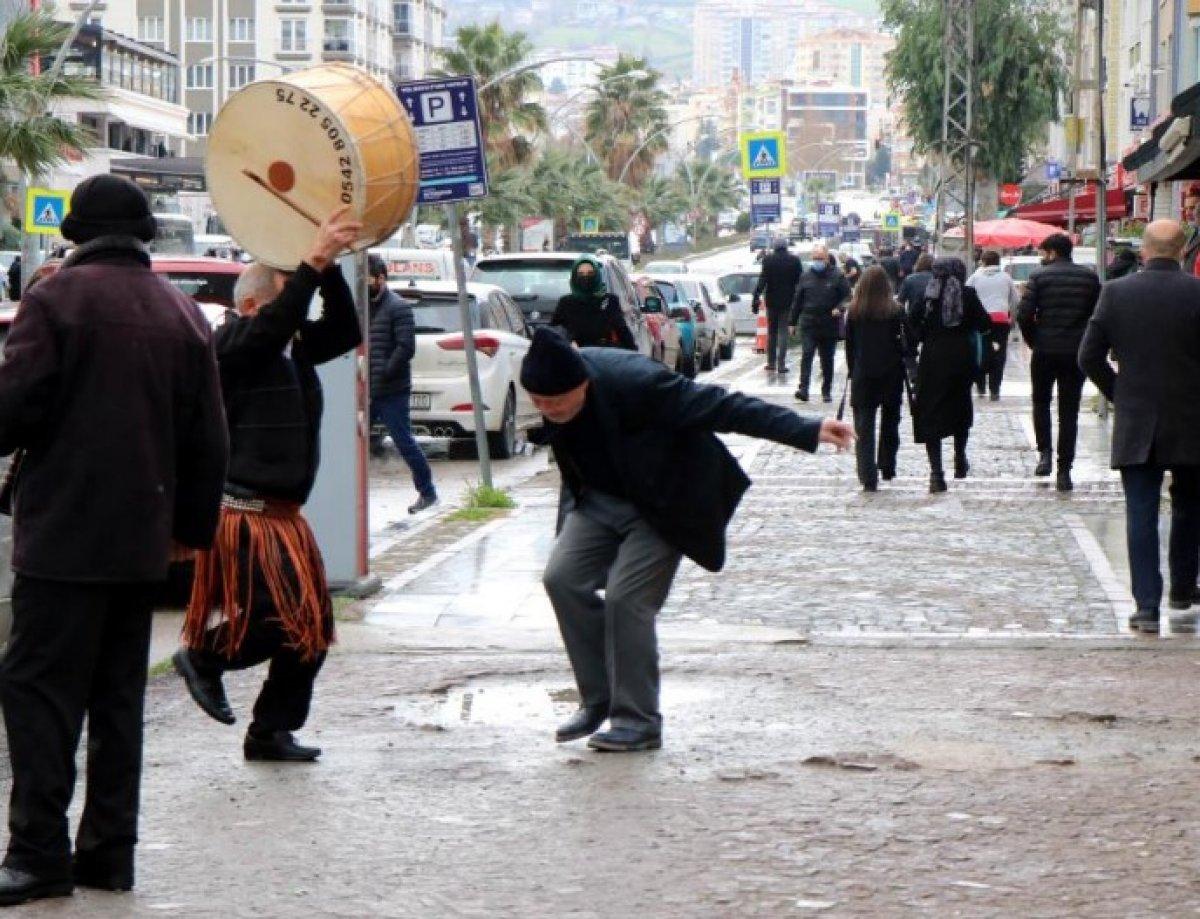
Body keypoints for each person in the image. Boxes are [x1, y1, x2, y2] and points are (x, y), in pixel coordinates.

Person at [0, 174, 227, 905]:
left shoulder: (54, 302)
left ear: (74, 234)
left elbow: (12, 410)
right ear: (144, 237)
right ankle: (110, 853)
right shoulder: (183, 312)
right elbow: (208, 438)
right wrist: (191, 531)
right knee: (116, 700)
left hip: (65, 535)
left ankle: (38, 853)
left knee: (39, 693)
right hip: (144, 543)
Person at [525, 327, 853, 751]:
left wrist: (806, 430)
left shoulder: (639, 383)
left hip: (664, 503)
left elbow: (725, 407)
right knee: (562, 578)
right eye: (539, 403)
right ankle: (599, 698)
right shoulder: (554, 392)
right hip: (602, 500)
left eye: (556, 401)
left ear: (583, 383)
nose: (549, 410)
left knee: (628, 599)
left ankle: (638, 720)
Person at [173, 208, 364, 764]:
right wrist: (312, 262)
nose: (295, 307)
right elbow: (278, 323)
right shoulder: (232, 343)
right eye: (287, 296)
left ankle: (270, 731)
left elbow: (347, 329)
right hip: (245, 512)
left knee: (313, 628)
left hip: (282, 513)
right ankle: (204, 656)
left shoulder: (293, 347)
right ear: (256, 304)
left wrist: (326, 271)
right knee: (282, 617)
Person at [1079, 219, 1200, 635]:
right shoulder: (1197, 293)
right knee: (1190, 507)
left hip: (1138, 419)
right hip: (1192, 418)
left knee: (1141, 512)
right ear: (1183, 252)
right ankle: (1183, 590)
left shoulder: (1116, 293)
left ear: (1145, 252)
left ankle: (1146, 607)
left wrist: (1120, 394)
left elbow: (1089, 356)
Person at [1015, 232, 1102, 491]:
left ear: (1052, 252)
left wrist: (1034, 341)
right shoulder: (1088, 278)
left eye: (1043, 253)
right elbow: (1098, 315)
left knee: (1040, 402)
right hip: (1076, 352)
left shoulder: (1039, 277)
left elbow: (1024, 315)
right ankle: (1065, 470)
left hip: (1045, 350)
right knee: (1069, 411)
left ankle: (1044, 456)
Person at [909, 257, 992, 493]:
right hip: (961, 359)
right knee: (959, 406)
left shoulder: (928, 295)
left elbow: (913, 325)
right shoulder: (968, 294)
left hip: (933, 359)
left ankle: (936, 473)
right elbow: (984, 323)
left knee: (931, 411)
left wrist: (924, 336)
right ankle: (959, 457)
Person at [367, 254, 437, 514]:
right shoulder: (361, 306)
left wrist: (385, 372)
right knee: (354, 443)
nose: (366, 284)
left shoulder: (398, 307)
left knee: (403, 440)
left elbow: (406, 346)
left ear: (382, 278)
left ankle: (427, 491)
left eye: (370, 279)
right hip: (365, 389)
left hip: (390, 389)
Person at [845, 266, 908, 491]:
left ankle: (867, 475)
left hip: (864, 375)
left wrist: (853, 371)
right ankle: (887, 464)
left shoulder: (854, 312)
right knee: (891, 422)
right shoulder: (896, 311)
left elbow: (849, 346)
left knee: (864, 427)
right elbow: (905, 343)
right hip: (891, 374)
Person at [790, 242, 850, 403]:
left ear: (827, 258)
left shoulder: (837, 275)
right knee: (807, 354)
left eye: (820, 258)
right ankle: (803, 389)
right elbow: (797, 300)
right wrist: (792, 322)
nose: (817, 261)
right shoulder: (805, 276)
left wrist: (840, 308)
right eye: (814, 258)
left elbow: (847, 297)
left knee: (827, 359)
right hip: (809, 322)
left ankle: (826, 390)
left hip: (828, 323)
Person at [551, 255, 635, 350]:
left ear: (597, 276)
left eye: (590, 273)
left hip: (602, 357)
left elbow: (622, 331)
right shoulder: (566, 303)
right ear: (575, 277)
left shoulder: (609, 301)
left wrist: (634, 355)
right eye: (581, 274)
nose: (585, 277)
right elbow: (555, 332)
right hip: (574, 358)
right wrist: (569, 342)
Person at [967, 250, 1020, 401]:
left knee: (980, 352)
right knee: (998, 353)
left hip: (980, 322)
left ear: (982, 262)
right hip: (1000, 321)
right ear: (998, 262)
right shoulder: (1006, 277)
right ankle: (995, 389)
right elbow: (1015, 301)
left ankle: (981, 385)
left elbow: (965, 294)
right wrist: (1012, 320)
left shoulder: (975, 277)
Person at [752, 237, 802, 373]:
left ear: (774, 246)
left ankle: (771, 363)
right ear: (786, 246)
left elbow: (762, 280)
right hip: (788, 301)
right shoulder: (794, 260)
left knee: (772, 332)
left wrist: (756, 295)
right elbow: (800, 282)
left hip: (771, 301)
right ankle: (781, 364)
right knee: (783, 332)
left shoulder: (768, 260)